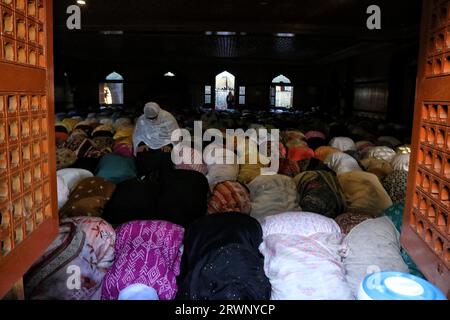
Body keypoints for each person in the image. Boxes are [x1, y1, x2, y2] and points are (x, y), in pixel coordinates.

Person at [133, 102, 179, 178]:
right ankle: (143, 177)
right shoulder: (141, 119)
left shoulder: (168, 117)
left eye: (154, 118)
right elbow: (138, 134)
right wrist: (141, 144)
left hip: (165, 144)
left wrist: (169, 145)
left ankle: (165, 179)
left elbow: (175, 134)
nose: (152, 121)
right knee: (141, 152)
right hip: (147, 144)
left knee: (166, 154)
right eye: (149, 119)